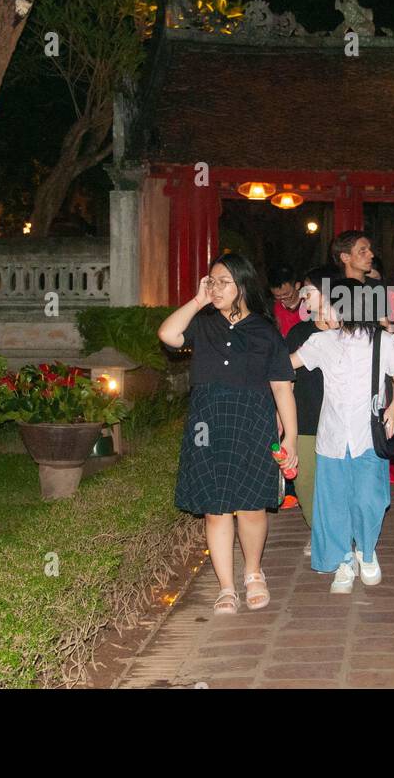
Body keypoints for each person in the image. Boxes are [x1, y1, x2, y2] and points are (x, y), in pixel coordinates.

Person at [157, 253, 298, 614]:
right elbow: (168, 334)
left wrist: (291, 439)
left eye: (223, 282)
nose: (215, 287)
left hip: (252, 420)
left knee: (250, 506)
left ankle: (253, 573)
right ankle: (226, 587)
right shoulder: (203, 325)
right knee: (215, 509)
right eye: (211, 280)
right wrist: (197, 300)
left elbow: (282, 388)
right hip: (207, 422)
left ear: (242, 285)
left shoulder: (265, 331)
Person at [291, 278, 394, 593]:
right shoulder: (320, 342)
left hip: (368, 434)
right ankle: (344, 560)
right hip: (331, 436)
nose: (325, 309)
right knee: (334, 502)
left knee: (369, 498)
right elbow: (287, 366)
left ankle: (366, 552)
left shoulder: (383, 341)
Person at [330, 229, 394, 488]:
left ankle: (374, 483)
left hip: (376, 369)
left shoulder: (379, 288)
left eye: (369, 250)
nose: (370, 255)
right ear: (345, 257)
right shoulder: (331, 289)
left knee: (376, 429)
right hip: (342, 372)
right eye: (362, 251)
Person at [284, 264, 342, 555]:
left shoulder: (350, 331)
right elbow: (284, 380)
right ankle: (319, 529)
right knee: (305, 482)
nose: (303, 295)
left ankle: (335, 534)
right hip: (305, 419)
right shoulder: (299, 332)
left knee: (338, 483)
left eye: (310, 289)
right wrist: (282, 420)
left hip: (342, 422)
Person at [269, 264, 304, 338]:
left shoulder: (310, 305)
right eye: (277, 296)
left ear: (297, 285)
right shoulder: (273, 307)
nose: (282, 298)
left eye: (286, 294)